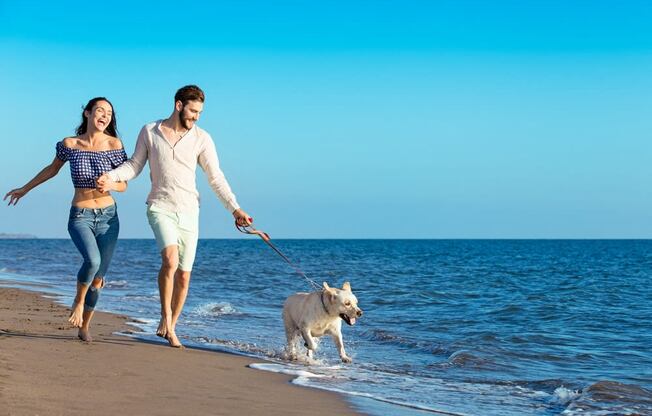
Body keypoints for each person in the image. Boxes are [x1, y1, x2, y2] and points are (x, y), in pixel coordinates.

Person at [97, 85, 252, 348]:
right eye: (193, 110)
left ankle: (172, 325)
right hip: (160, 206)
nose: (196, 116)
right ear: (179, 105)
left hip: (190, 211)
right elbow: (134, 165)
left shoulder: (202, 138)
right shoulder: (150, 131)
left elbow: (215, 178)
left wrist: (235, 209)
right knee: (170, 260)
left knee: (184, 275)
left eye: (200, 112)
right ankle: (165, 317)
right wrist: (110, 177)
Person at [5, 97, 128, 342]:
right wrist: (25, 188)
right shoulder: (70, 144)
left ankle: (84, 326)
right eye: (100, 110)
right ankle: (78, 302)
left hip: (109, 218)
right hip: (80, 215)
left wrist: (112, 183)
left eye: (109, 113)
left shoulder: (115, 145)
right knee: (92, 261)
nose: (105, 115)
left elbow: (124, 183)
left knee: (99, 279)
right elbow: (51, 170)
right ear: (88, 113)